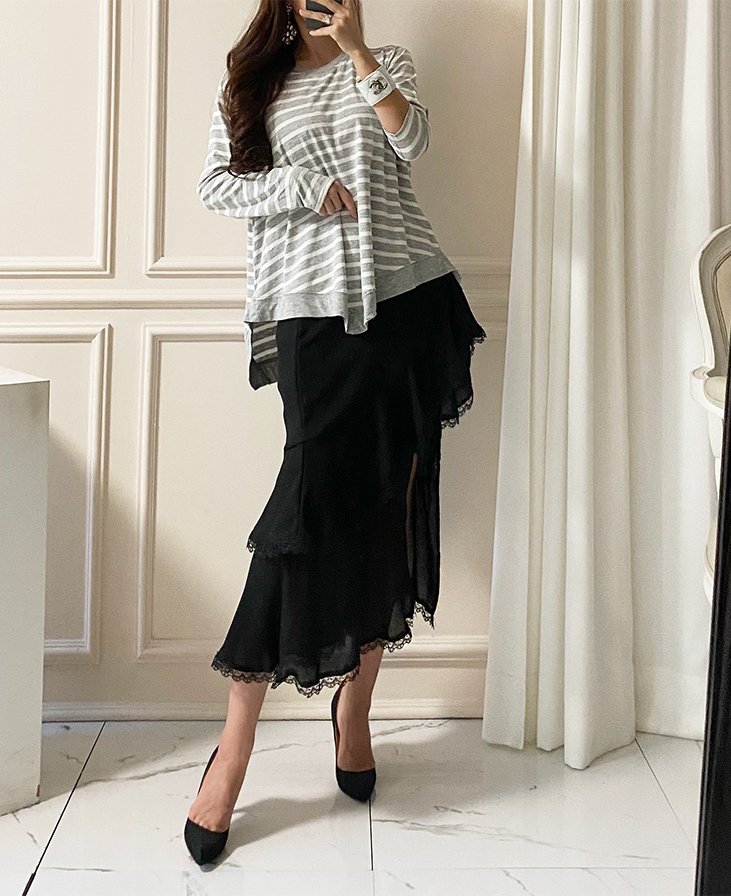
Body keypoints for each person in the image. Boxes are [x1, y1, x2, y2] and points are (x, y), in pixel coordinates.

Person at [185, 0, 486, 865]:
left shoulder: (382, 59)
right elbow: (216, 185)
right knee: (305, 510)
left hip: (406, 305)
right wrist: (302, 187)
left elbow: (411, 141)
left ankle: (355, 709)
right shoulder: (253, 83)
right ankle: (233, 751)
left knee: (386, 506)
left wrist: (358, 53)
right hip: (310, 314)